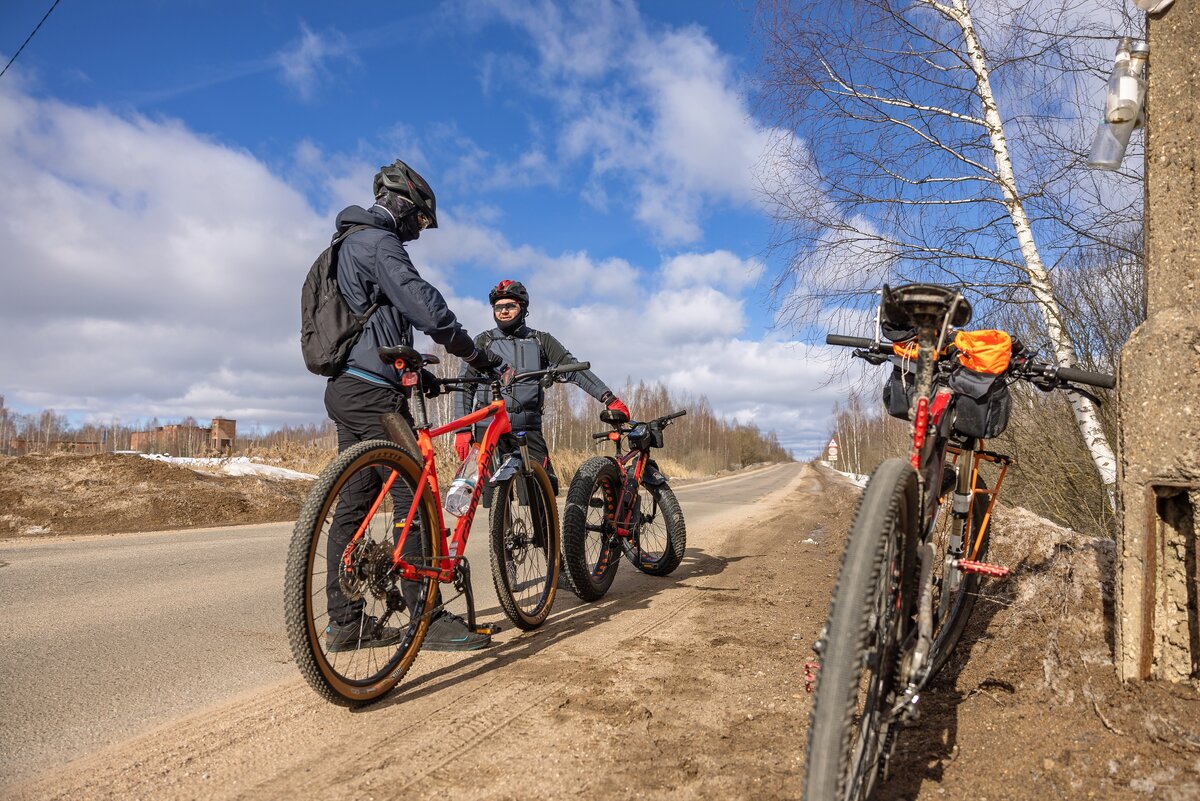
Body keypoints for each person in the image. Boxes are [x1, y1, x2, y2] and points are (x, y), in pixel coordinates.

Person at [321, 159, 501, 653]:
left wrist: (412, 368)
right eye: (420, 220)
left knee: (354, 505)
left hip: (348, 387)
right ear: (403, 204)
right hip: (375, 393)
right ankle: (427, 618)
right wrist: (471, 351)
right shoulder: (378, 242)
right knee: (416, 496)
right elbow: (423, 303)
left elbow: (373, 320)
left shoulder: (345, 244)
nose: (419, 231)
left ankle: (344, 623)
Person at [453, 280, 629, 494]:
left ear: (523, 309)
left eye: (510, 306)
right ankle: (500, 525)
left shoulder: (540, 341)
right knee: (494, 497)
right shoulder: (483, 341)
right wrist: (462, 430)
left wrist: (608, 398)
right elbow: (464, 386)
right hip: (489, 430)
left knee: (542, 493)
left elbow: (573, 369)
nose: (504, 311)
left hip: (527, 429)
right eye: (499, 307)